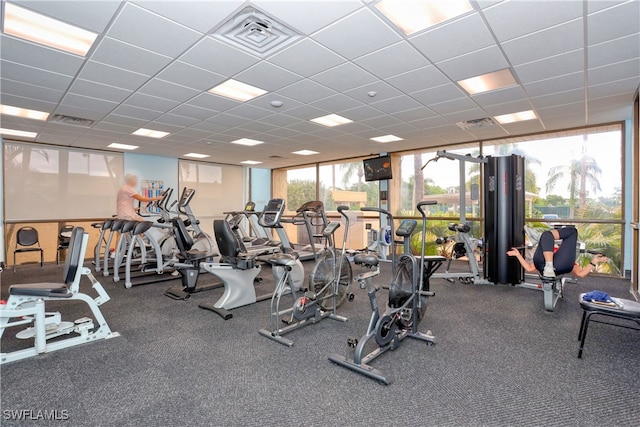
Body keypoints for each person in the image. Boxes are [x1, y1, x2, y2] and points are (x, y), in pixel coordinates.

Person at [507, 227, 608, 278]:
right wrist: (517, 254)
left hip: (545, 265)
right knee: (571, 232)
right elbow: (529, 269)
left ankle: (539, 238)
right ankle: (540, 240)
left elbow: (529, 269)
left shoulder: (560, 254)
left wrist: (594, 261)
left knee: (547, 234)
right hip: (555, 266)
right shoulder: (562, 256)